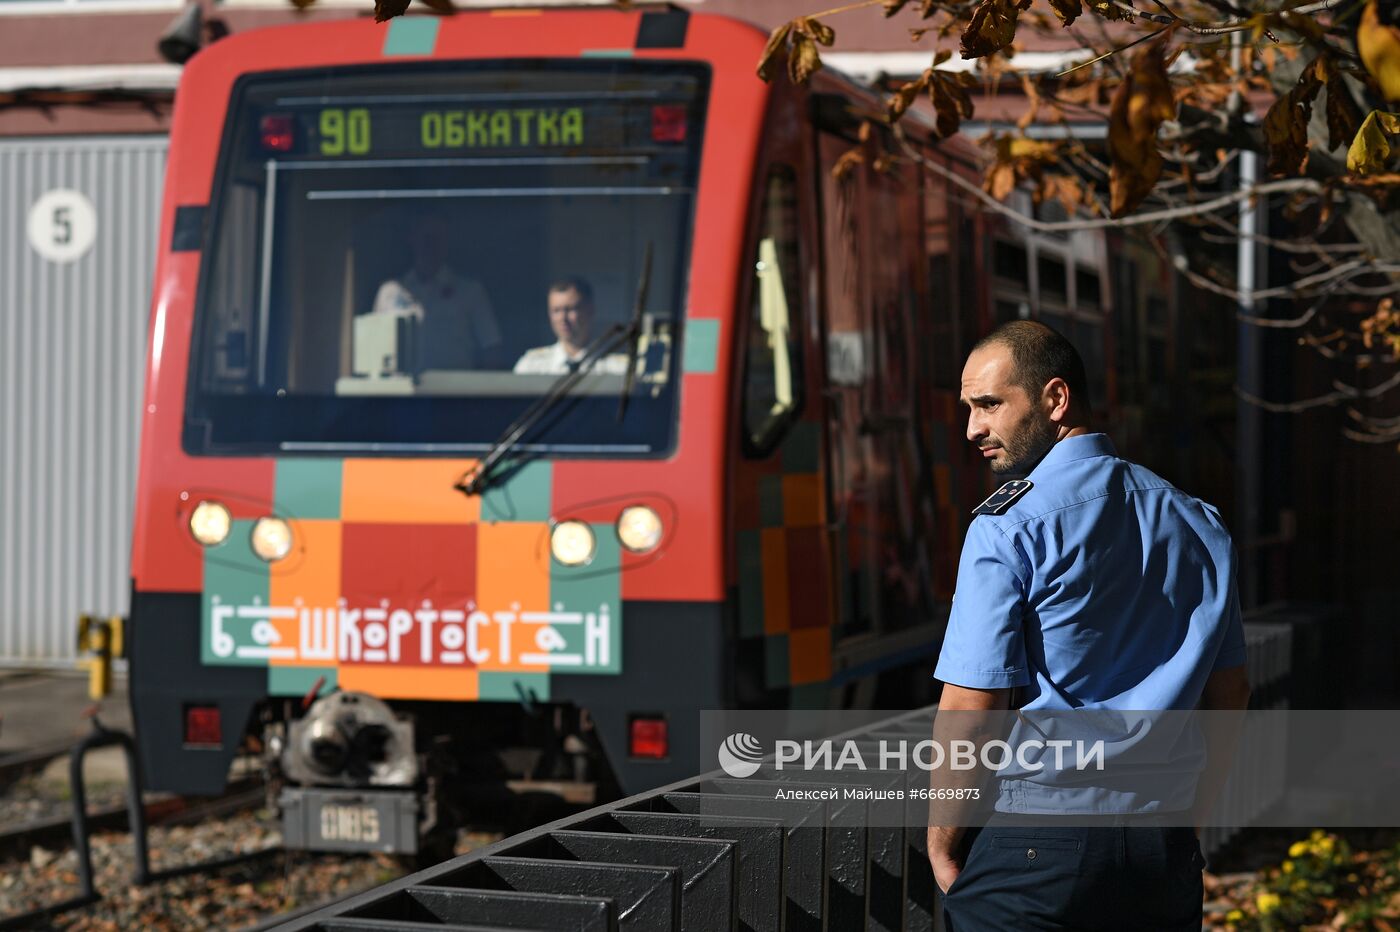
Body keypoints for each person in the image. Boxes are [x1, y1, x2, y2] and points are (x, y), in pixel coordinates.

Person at [927, 320, 1253, 931]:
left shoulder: (1006, 527)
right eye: (968, 409)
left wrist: (943, 844)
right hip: (1162, 843)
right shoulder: (1198, 520)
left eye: (990, 405)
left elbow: (973, 703)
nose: (973, 428)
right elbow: (1230, 692)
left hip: (1036, 845)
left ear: (1055, 399)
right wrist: (1190, 823)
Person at [371, 212, 504, 370]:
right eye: (425, 237)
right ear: (412, 238)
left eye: (438, 238)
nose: (431, 245)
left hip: (455, 391)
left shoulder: (470, 292)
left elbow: (491, 348)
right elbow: (374, 352)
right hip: (402, 391)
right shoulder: (389, 292)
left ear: (447, 241)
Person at [513, 277, 630, 375]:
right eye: (556, 310)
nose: (562, 318)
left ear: (590, 310)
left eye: (570, 309)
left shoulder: (616, 368)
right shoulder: (531, 366)